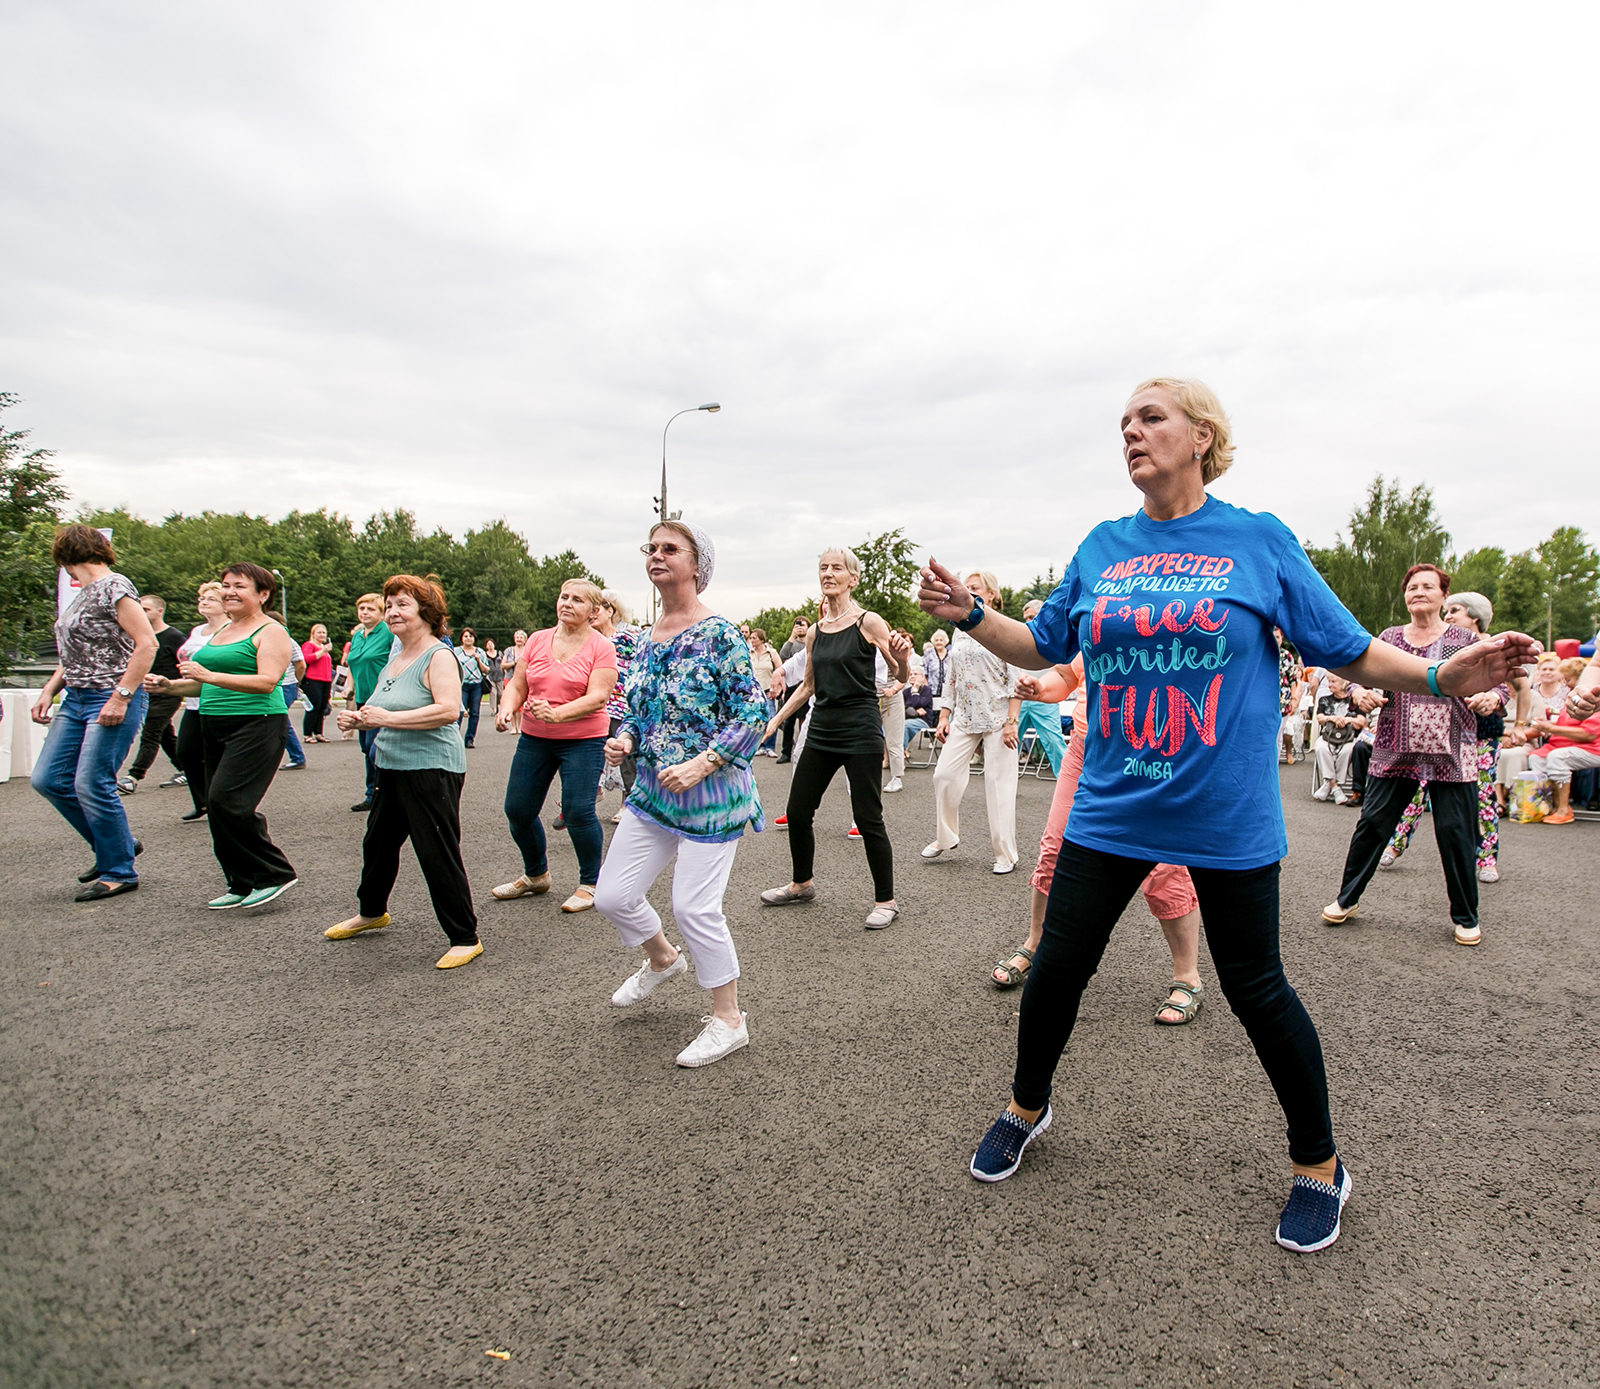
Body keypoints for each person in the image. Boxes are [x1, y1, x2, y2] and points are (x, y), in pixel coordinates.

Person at [917, 376, 1536, 1253]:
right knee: (1058, 967)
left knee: (1256, 989)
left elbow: (1350, 649)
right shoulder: (1102, 546)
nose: (1131, 431)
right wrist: (975, 615)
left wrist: (1441, 676)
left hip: (1224, 812)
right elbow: (1046, 642)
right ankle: (1027, 1107)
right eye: (1123, 422)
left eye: (1151, 417)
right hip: (1113, 804)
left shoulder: (1257, 540)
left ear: (1201, 436)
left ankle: (1320, 1166)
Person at [594, 521, 767, 1067]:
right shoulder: (645, 637)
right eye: (652, 548)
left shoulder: (721, 634)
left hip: (713, 796)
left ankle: (729, 1019)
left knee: (694, 906)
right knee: (613, 897)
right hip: (652, 794)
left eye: (671, 549)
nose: (657, 555)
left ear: (698, 565)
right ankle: (663, 959)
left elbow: (752, 712)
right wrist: (624, 737)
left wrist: (704, 763)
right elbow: (638, 709)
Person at [989, 655, 1207, 1028]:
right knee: (1055, 849)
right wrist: (1042, 689)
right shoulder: (1101, 604)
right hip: (1086, 750)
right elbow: (1068, 675)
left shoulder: (1173, 604)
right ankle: (1036, 944)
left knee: (1162, 865)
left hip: (1151, 748)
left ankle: (1187, 976)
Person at [1325, 566, 1507, 945]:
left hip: (1453, 751)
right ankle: (1347, 899)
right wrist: (1360, 692)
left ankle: (1465, 916)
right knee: (1372, 825)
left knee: (1455, 833)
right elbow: (1362, 672)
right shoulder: (1389, 638)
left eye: (1428, 586)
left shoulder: (1464, 638)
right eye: (1411, 587)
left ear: (1444, 596)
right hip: (1395, 749)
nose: (1418, 592)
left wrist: (1494, 697)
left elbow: (1499, 681)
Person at [328, 575, 481, 968]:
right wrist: (361, 720)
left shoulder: (438, 655)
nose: (392, 612)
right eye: (389, 604)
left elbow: (449, 710)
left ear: (426, 613)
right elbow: (384, 709)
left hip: (431, 769)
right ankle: (371, 911)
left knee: (436, 852)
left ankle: (465, 936)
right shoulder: (397, 658)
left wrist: (387, 718)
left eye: (402, 605)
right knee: (377, 846)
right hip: (391, 766)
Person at [760, 546, 912, 929]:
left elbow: (900, 676)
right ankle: (802, 883)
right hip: (823, 729)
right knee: (797, 811)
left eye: (837, 568)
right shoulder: (814, 632)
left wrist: (903, 657)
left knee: (867, 816)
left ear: (853, 578)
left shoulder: (868, 622)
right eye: (823, 567)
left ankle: (886, 901)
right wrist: (775, 720)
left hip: (860, 728)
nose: (828, 573)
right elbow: (808, 684)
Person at [146, 562, 301, 909]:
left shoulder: (271, 630)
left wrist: (208, 675)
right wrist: (170, 685)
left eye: (240, 586)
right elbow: (199, 682)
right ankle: (241, 881)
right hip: (213, 723)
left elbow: (267, 681)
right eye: (226, 585)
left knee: (228, 801)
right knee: (214, 806)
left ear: (263, 594)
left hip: (257, 723)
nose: (229, 591)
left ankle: (274, 873)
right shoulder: (223, 631)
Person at [30, 525, 158, 901]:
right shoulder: (83, 594)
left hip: (110, 695)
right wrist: (50, 689)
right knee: (49, 779)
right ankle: (117, 845)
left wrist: (120, 697)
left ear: (66, 556)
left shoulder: (114, 586)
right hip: (76, 697)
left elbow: (146, 644)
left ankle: (119, 870)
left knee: (91, 782)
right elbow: (76, 654)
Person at [492, 580, 618, 912]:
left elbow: (599, 696)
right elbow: (518, 683)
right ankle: (536, 875)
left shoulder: (601, 647)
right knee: (518, 810)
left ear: (593, 611)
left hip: (583, 740)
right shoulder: (536, 640)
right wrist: (507, 707)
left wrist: (558, 713)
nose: (567, 603)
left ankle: (591, 883)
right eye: (564, 597)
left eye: (577, 600)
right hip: (535, 737)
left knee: (578, 811)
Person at [925, 571, 1024, 874]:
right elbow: (952, 677)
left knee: (998, 785)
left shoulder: (1005, 628)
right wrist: (944, 714)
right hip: (965, 718)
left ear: (991, 594)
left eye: (974, 587)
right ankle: (946, 837)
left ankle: (1005, 854)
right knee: (943, 776)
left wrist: (1011, 721)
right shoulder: (959, 629)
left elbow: (1017, 679)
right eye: (965, 587)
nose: (966, 590)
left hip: (998, 717)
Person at [116, 594, 187, 794]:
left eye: (146, 609)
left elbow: (186, 663)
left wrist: (180, 686)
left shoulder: (174, 637)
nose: (142, 613)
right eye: (140, 609)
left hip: (168, 693)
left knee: (150, 733)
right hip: (145, 693)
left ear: (160, 611)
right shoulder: (137, 637)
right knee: (165, 734)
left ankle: (134, 776)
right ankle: (186, 768)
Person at [171, 582, 229, 820]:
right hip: (194, 700)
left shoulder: (230, 629)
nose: (203, 602)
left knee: (218, 755)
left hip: (219, 700)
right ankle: (203, 802)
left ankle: (223, 803)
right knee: (185, 751)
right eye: (201, 599)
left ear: (225, 605)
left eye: (210, 599)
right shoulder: (197, 631)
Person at [593, 591, 639, 824]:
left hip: (623, 706)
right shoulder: (588, 638)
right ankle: (592, 793)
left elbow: (642, 663)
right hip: (596, 705)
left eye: (596, 609)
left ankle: (627, 804)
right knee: (592, 751)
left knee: (625, 756)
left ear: (610, 610)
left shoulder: (628, 636)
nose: (591, 614)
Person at [346, 595, 391, 811]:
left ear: (382, 613)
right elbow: (353, 663)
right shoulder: (357, 636)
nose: (365, 612)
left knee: (375, 748)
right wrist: (350, 686)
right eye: (361, 608)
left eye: (371, 609)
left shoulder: (388, 633)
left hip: (381, 699)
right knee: (366, 747)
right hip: (362, 699)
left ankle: (382, 793)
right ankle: (372, 792)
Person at [1521, 703, 1600, 823]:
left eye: (1568, 681)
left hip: (1594, 747)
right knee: (1536, 758)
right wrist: (1544, 725)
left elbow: (1588, 734)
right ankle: (1549, 806)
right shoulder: (1574, 698)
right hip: (1567, 744)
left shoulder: (1593, 701)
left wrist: (1550, 728)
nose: (1566, 682)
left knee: (1557, 757)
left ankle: (1563, 810)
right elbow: (1565, 724)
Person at [1014, 600, 1068, 776]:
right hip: (1019, 699)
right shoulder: (1019, 637)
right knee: (1008, 742)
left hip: (1044, 697)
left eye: (1032, 617)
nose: (1028, 621)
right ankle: (1003, 784)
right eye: (1026, 618)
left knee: (1053, 741)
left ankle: (1066, 781)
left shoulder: (1055, 637)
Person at [1312, 674, 1364, 803]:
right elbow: (1320, 718)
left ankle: (1328, 785)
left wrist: (1347, 720)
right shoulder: (1324, 700)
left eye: (1333, 681)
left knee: (1348, 750)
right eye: (1329, 682)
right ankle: (1335, 787)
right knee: (1320, 747)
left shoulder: (1354, 701)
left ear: (1344, 683)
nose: (1329, 685)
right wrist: (1332, 718)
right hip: (1328, 736)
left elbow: (1361, 722)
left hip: (1348, 737)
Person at [268, 612, 308, 770]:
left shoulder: (287, 641)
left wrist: (296, 683)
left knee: (279, 721)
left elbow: (301, 665)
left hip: (286, 685)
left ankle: (297, 757)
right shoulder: (266, 640)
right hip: (275, 685)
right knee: (274, 721)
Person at [878, 630, 911, 792]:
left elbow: (905, 675)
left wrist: (893, 689)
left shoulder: (893, 650)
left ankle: (897, 778)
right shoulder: (866, 649)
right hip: (870, 699)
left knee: (894, 740)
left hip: (892, 699)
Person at [775, 617, 810, 763]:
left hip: (807, 685)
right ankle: (786, 752)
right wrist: (792, 636)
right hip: (792, 686)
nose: (800, 627)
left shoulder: (811, 641)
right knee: (789, 720)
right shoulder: (792, 643)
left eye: (803, 625)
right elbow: (783, 655)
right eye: (797, 625)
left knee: (805, 719)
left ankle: (804, 749)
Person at [454, 627, 491, 748]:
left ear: (474, 638)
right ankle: (455, 739)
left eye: (470, 636)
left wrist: (478, 660)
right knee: (459, 712)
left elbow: (486, 670)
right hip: (462, 684)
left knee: (474, 713)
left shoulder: (480, 652)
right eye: (465, 636)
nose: (468, 638)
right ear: (461, 639)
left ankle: (469, 739)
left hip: (476, 685)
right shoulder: (456, 651)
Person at [747, 628, 781, 756]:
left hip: (768, 690)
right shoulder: (749, 653)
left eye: (754, 638)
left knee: (771, 717)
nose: (751, 640)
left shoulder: (771, 653)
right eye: (750, 638)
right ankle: (760, 745)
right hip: (754, 691)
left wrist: (776, 688)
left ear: (762, 639)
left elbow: (779, 669)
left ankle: (770, 747)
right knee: (756, 719)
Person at [300, 623, 335, 742]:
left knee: (322, 707)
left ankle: (318, 732)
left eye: (324, 632)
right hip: (312, 679)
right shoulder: (309, 645)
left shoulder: (325, 648)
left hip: (325, 680)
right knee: (314, 706)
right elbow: (306, 658)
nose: (322, 635)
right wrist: (323, 650)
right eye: (319, 632)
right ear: (313, 634)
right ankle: (307, 733)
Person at [1277, 629, 1304, 763]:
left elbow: (1293, 679)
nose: (1276, 640)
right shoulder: (1263, 654)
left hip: (1283, 699)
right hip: (1266, 699)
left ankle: (1275, 763)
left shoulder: (1286, 656)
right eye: (1274, 637)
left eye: (1278, 637)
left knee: (1279, 734)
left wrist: (1294, 699)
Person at [902, 666, 934, 746]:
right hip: (908, 718)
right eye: (910, 674)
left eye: (915, 674)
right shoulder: (905, 692)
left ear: (922, 677)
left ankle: (902, 749)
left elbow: (917, 703)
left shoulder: (927, 690)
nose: (912, 676)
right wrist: (915, 711)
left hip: (924, 720)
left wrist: (915, 691)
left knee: (905, 725)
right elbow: (903, 707)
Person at [924, 628, 950, 697]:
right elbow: (924, 673)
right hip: (931, 692)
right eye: (936, 640)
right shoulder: (928, 653)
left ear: (945, 642)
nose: (939, 642)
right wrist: (927, 689)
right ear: (933, 642)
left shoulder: (950, 654)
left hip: (947, 692)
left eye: (941, 640)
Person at [483, 637, 504, 718]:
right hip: (490, 676)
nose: (490, 645)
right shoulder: (485, 654)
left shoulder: (499, 653)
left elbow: (502, 662)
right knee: (493, 692)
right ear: (486, 646)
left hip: (500, 676)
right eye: (488, 644)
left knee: (500, 693)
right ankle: (494, 709)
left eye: (491, 643)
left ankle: (499, 705)